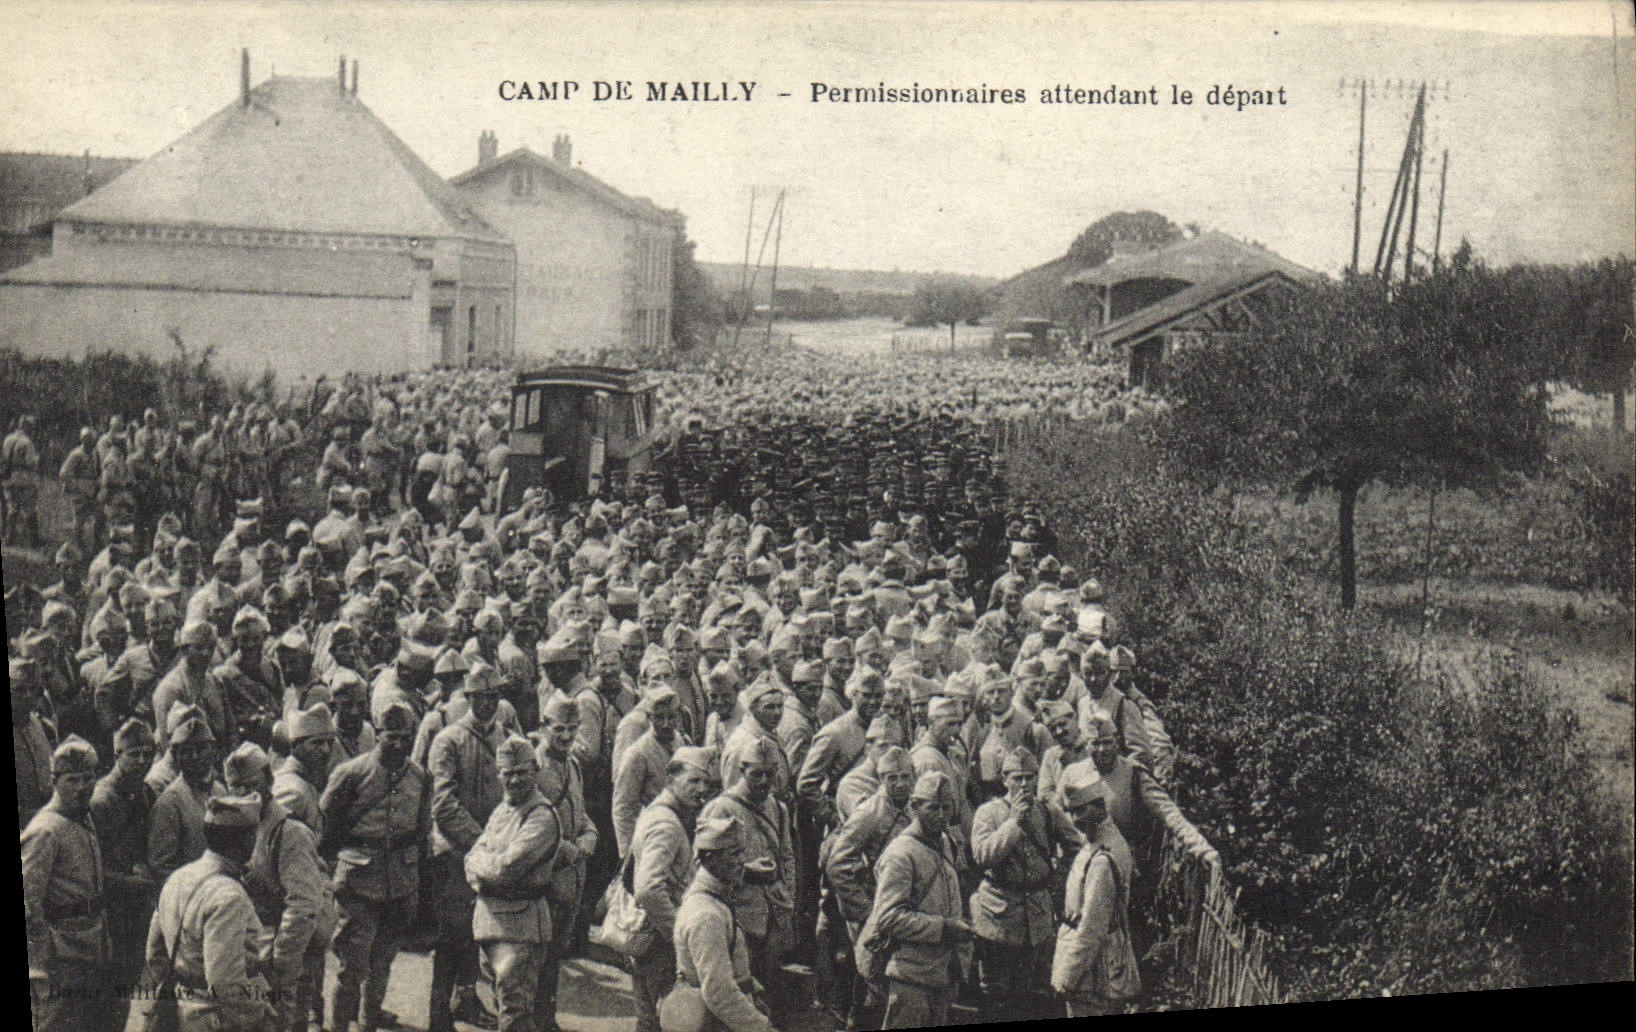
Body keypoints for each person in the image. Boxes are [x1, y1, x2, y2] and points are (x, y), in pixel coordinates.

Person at [320, 700, 432, 1032]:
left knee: (383, 963)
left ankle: (369, 1023)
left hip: (400, 881)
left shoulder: (420, 777)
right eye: (391, 737)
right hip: (358, 883)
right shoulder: (351, 774)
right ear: (377, 733)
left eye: (405, 738)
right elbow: (328, 826)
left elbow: (421, 832)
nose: (398, 745)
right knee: (352, 967)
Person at [222, 741, 337, 1032]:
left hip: (285, 952)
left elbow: (303, 906)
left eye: (251, 786)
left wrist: (280, 962)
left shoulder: (289, 832)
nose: (243, 794)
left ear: (269, 782)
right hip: (253, 949)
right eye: (235, 787)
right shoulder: (238, 826)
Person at [142, 791, 279, 1032]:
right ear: (246, 839)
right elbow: (223, 981)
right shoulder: (228, 896)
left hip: (182, 1010)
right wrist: (256, 1012)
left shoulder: (179, 878)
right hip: (219, 1018)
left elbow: (155, 952)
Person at [969, 746, 1084, 1019]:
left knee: (1034, 992)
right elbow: (982, 856)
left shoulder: (1047, 811)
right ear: (1004, 779)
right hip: (998, 914)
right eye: (1017, 778)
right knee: (997, 992)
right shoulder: (989, 812)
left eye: (1030, 777)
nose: (1024, 784)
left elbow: (1074, 845)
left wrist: (1057, 881)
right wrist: (1013, 823)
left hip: (1037, 913)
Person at [856, 769, 973, 1030]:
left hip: (942, 972)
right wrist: (943, 928)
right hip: (909, 975)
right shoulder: (901, 854)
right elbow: (888, 918)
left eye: (946, 808)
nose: (941, 815)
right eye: (933, 808)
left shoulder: (944, 842)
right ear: (915, 806)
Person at [427, 663, 507, 1032]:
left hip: (491, 854)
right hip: (455, 853)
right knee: (451, 937)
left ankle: (467, 1000)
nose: (488, 703)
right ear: (468, 697)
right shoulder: (448, 739)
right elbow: (443, 804)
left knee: (480, 934)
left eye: (494, 695)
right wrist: (480, 841)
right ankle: (438, 1016)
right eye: (480, 696)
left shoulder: (504, 736)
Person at [465, 735, 562, 1032]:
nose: (515, 779)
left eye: (522, 771)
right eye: (508, 773)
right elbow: (471, 859)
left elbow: (507, 868)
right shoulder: (503, 810)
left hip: (521, 929)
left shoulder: (541, 816)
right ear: (499, 774)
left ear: (536, 769)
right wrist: (480, 865)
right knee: (504, 1008)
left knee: (514, 1014)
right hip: (491, 924)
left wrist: (480, 864)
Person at [23, 735, 115, 1032]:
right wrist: (41, 963)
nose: (83, 787)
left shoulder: (83, 819)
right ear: (55, 781)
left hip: (90, 947)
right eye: (73, 780)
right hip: (60, 957)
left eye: (89, 778)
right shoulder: (46, 829)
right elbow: (29, 903)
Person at [823, 744, 915, 1032]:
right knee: (870, 980)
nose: (899, 783)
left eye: (904, 776)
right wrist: (864, 912)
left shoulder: (915, 807)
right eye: (891, 778)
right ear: (881, 779)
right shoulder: (869, 813)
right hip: (874, 908)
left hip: (904, 908)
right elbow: (837, 864)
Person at [699, 736, 797, 999]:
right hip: (738, 913)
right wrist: (744, 871)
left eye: (770, 774)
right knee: (738, 992)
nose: (764, 781)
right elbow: (705, 865)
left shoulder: (778, 808)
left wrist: (788, 896)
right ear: (742, 771)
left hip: (773, 913)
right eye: (757, 775)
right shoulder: (720, 808)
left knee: (767, 989)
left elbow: (787, 857)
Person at [629, 745, 713, 1032]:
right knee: (667, 1020)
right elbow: (648, 889)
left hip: (651, 939)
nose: (701, 789)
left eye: (705, 782)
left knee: (652, 1020)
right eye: (693, 781)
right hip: (660, 944)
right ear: (671, 779)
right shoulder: (666, 823)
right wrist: (680, 933)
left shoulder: (664, 813)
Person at [671, 815, 775, 1032]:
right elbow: (719, 994)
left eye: (742, 852)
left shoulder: (714, 898)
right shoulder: (706, 914)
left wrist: (751, 989)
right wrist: (761, 1027)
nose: (742, 861)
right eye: (734, 853)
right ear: (709, 859)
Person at [1050, 761, 1136, 1017]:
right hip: (1098, 967)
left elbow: (1091, 928)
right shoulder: (1101, 843)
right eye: (1071, 812)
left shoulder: (1102, 859)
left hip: (1092, 975)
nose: (1075, 820)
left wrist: (1067, 977)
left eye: (1080, 811)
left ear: (1100, 806)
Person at [533, 695, 599, 1028]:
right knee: (537, 957)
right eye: (560, 729)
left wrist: (590, 834)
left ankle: (546, 1018)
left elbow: (580, 811)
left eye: (573, 729)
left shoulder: (571, 764)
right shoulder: (536, 766)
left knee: (555, 955)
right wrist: (563, 849)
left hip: (572, 876)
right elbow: (529, 824)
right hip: (545, 876)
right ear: (545, 726)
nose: (566, 736)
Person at [90, 718, 160, 1029]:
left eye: (148, 753)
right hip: (111, 911)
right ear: (117, 755)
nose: (143, 761)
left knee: (127, 990)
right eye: (135, 754)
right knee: (107, 996)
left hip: (135, 910)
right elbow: (93, 870)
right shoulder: (102, 800)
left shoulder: (145, 793)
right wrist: (135, 881)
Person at [148, 704, 225, 882]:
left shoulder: (219, 790)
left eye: (201, 748)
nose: (195, 757)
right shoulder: (169, 803)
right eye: (186, 751)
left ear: (213, 750)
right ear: (175, 756)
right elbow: (162, 866)